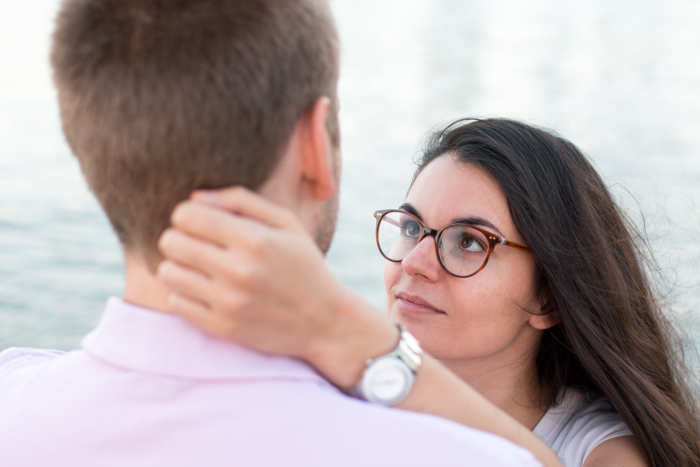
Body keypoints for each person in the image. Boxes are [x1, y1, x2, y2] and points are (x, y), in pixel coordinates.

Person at [0, 2, 546, 466]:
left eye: (468, 242)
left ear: (90, 152)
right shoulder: (460, 455)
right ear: (313, 146)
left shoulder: (12, 396)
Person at [157, 118, 700, 467]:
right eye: (412, 228)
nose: (414, 262)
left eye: (469, 243)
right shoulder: (332, 395)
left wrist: (361, 345)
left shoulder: (600, 449)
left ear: (549, 300)